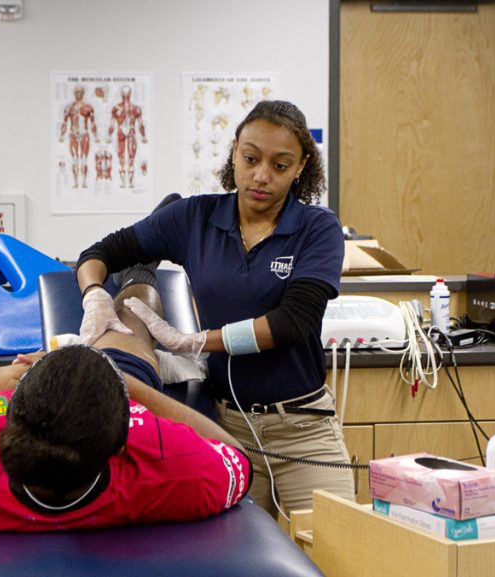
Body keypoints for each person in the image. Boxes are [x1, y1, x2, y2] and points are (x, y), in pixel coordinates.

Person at [76, 100, 354, 519]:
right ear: (235, 152)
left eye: (280, 166)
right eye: (250, 159)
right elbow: (99, 252)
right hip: (228, 428)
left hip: (304, 429)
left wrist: (197, 342)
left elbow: (293, 322)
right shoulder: (195, 217)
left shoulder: (318, 228)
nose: (261, 176)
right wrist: (94, 292)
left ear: (301, 167)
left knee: (338, 555)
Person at [0, 281, 251, 531]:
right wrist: (125, 385)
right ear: (121, 441)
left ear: (8, 420)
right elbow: (235, 456)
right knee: (134, 317)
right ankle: (138, 276)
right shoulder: (175, 468)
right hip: (119, 388)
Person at [107, 85, 147, 188]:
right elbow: (112, 123)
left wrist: (143, 136)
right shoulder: (116, 108)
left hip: (131, 132)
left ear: (130, 94)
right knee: (121, 157)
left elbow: (140, 123)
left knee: (131, 157)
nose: (125, 96)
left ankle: (130, 182)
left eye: (127, 94)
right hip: (120, 131)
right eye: (124, 94)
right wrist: (109, 136)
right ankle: (122, 182)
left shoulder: (135, 109)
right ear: (121, 94)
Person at [59, 85, 98, 188]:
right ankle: (76, 182)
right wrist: (61, 135)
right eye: (77, 92)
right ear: (74, 93)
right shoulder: (69, 107)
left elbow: (93, 123)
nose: (78, 94)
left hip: (84, 134)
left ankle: (84, 182)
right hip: (73, 134)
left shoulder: (88, 107)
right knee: (75, 159)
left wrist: (96, 136)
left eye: (80, 92)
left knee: (84, 159)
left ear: (83, 93)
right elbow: (64, 122)